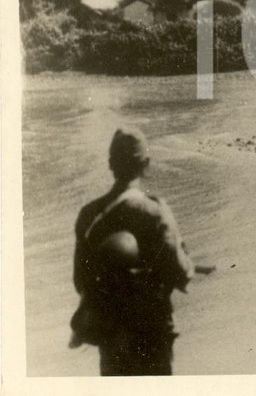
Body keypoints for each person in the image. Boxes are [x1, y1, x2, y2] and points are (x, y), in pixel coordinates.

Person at [72, 128, 196, 375]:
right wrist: (189, 265)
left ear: (110, 164)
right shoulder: (156, 211)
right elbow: (179, 272)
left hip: (111, 333)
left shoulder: (88, 215)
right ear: (146, 165)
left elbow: (81, 281)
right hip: (153, 330)